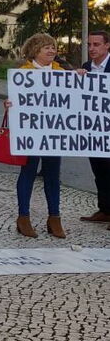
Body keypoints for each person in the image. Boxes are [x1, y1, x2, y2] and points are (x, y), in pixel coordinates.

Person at [4, 33, 65, 239]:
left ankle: (54, 218)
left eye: (53, 47)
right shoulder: (23, 73)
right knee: (28, 172)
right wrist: (9, 104)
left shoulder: (61, 71)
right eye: (46, 47)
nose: (51, 51)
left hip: (53, 133)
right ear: (35, 51)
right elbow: (15, 98)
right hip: (31, 133)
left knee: (52, 176)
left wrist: (82, 78)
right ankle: (23, 217)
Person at [77, 30, 110, 227]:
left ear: (107, 45)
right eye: (89, 44)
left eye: (96, 44)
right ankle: (105, 209)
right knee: (99, 170)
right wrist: (76, 77)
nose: (91, 49)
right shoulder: (86, 67)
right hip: (94, 130)